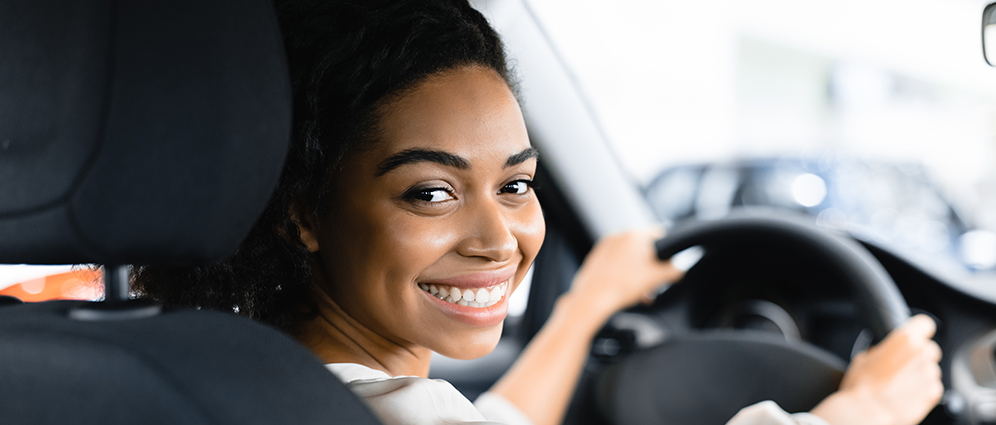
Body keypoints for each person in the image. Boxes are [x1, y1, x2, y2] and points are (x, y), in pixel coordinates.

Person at [133, 1, 944, 424]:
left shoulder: (218, 377)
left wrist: (585, 305)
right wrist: (858, 408)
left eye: (516, 184)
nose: (499, 239)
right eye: (433, 191)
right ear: (303, 211)